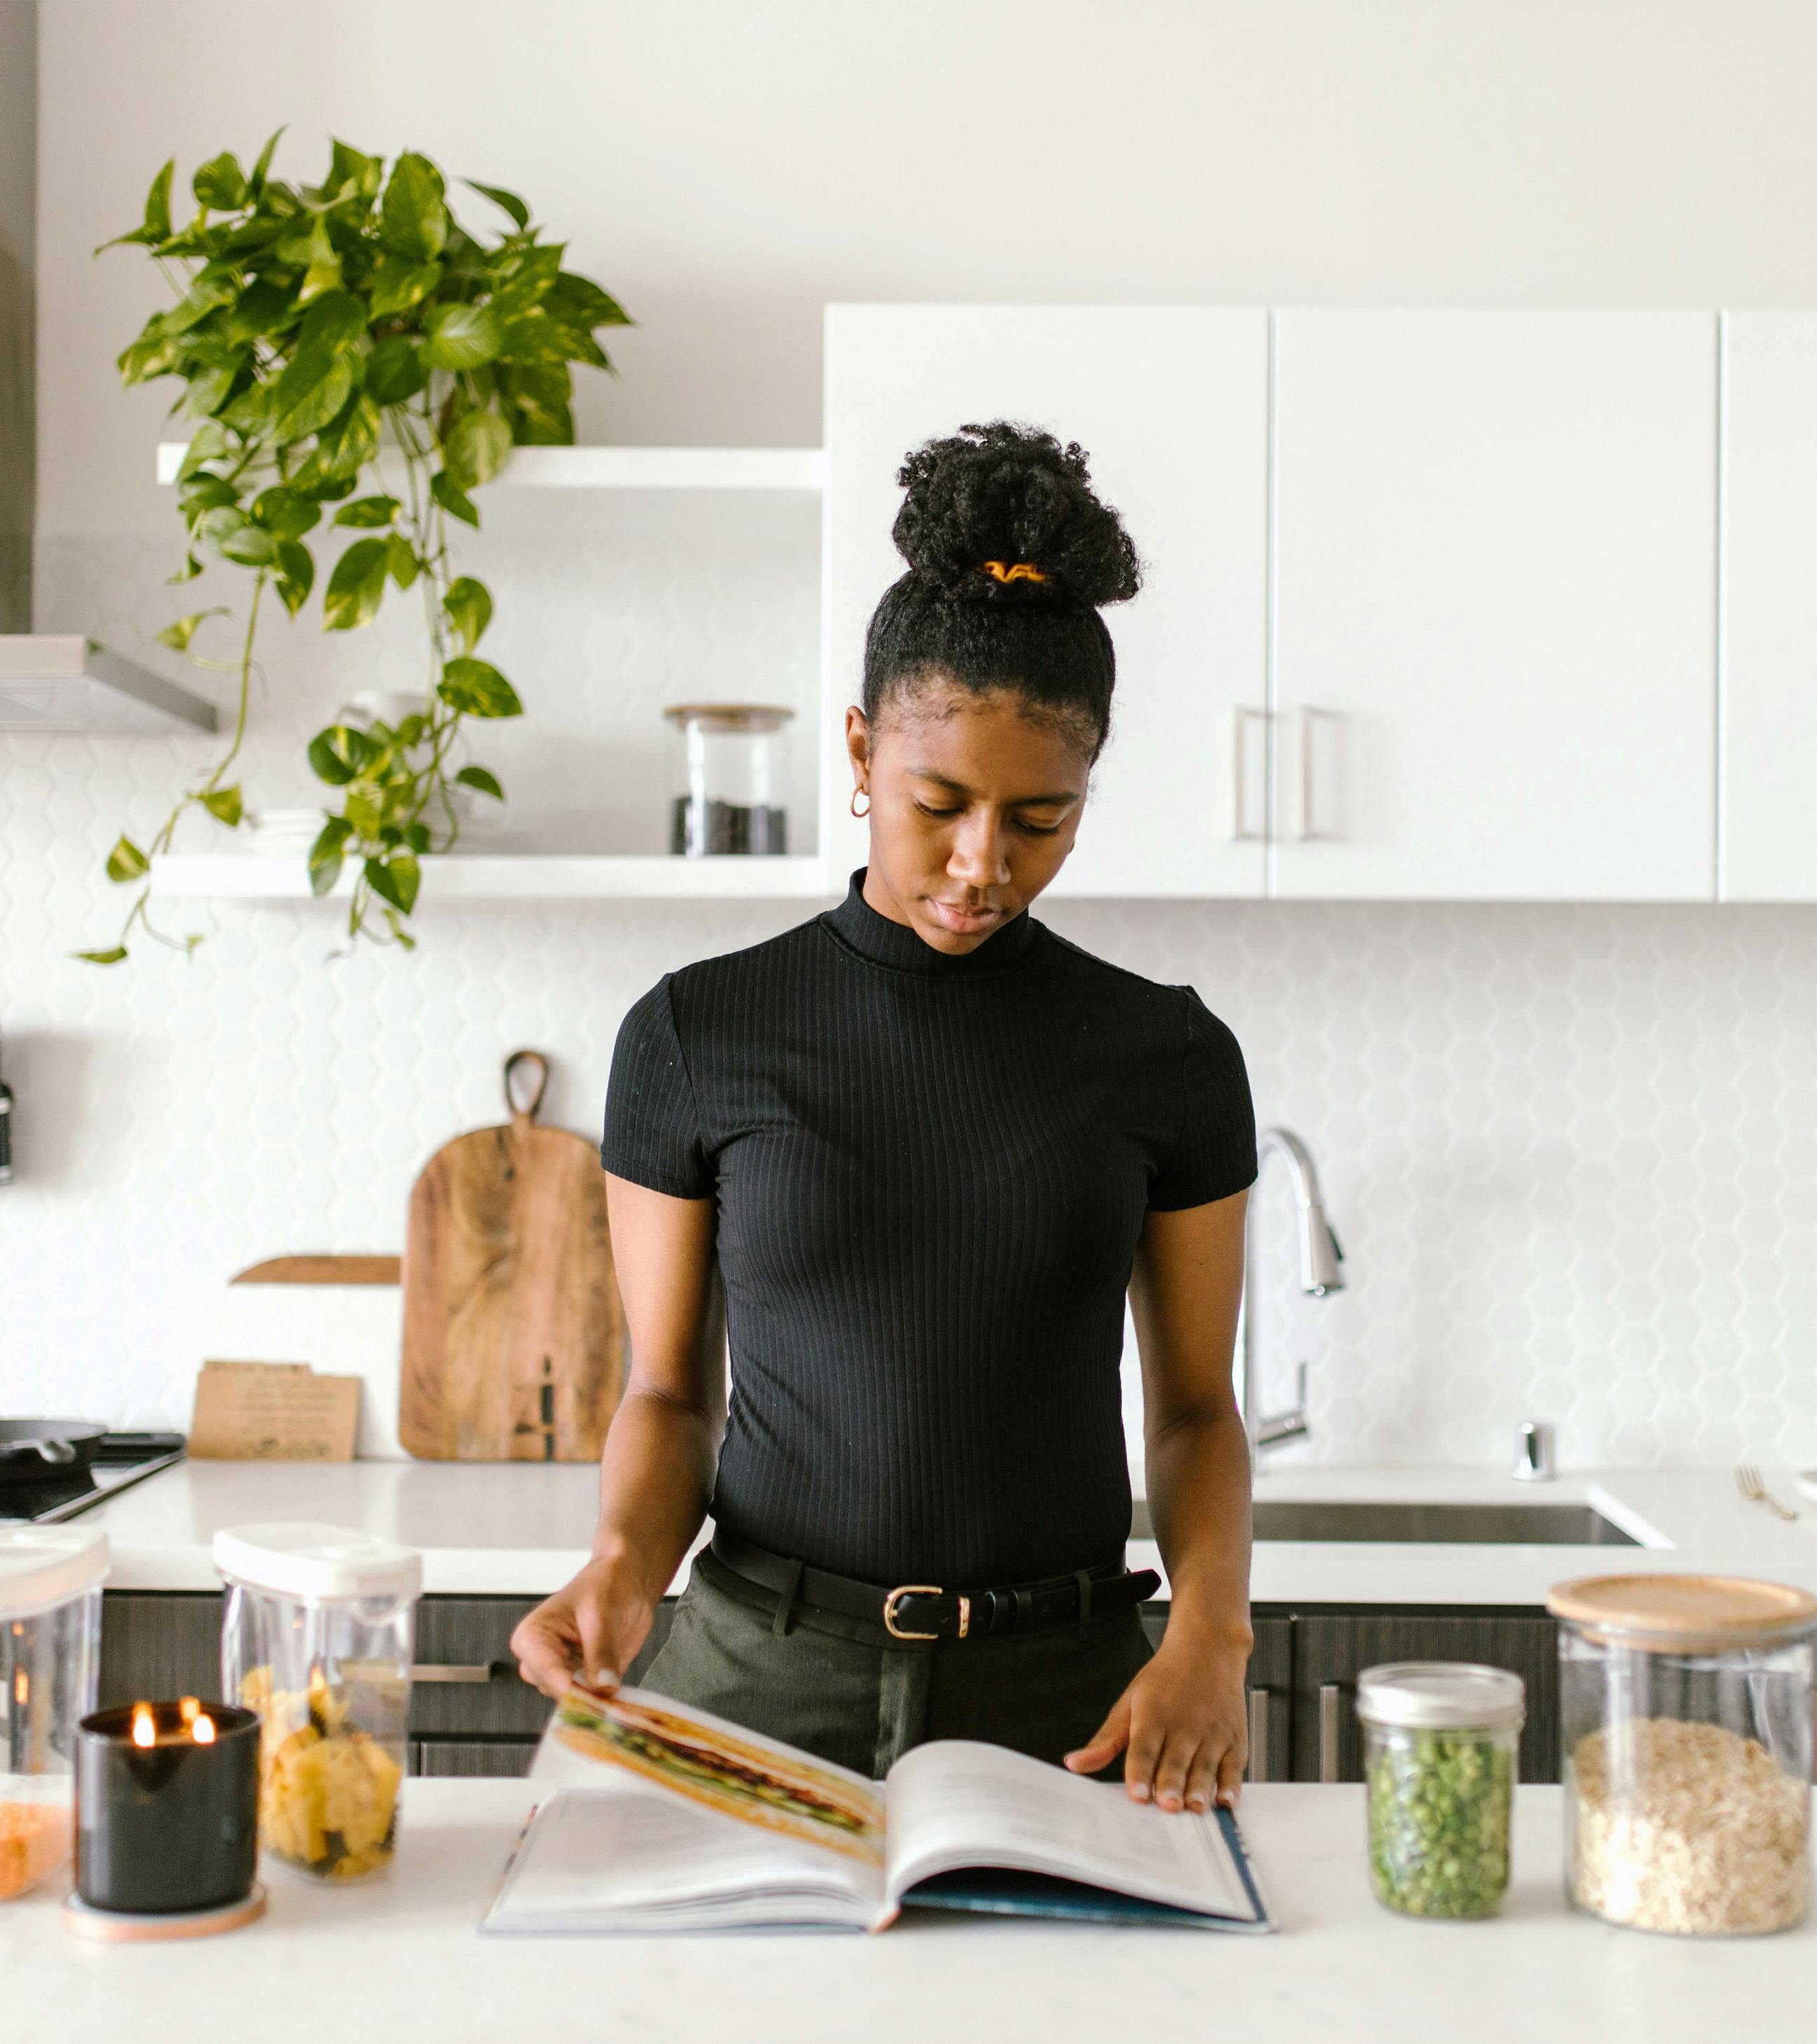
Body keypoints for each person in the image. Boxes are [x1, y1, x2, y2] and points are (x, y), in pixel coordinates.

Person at [511, 421, 1258, 1813]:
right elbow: (671, 1391)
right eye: (939, 805)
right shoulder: (695, 1036)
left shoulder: (1166, 1055)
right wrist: (619, 1566)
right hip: (758, 1681)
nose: (982, 866)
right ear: (861, 752)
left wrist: (1210, 1633)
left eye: (1040, 819)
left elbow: (1199, 1409)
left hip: (1079, 1698)